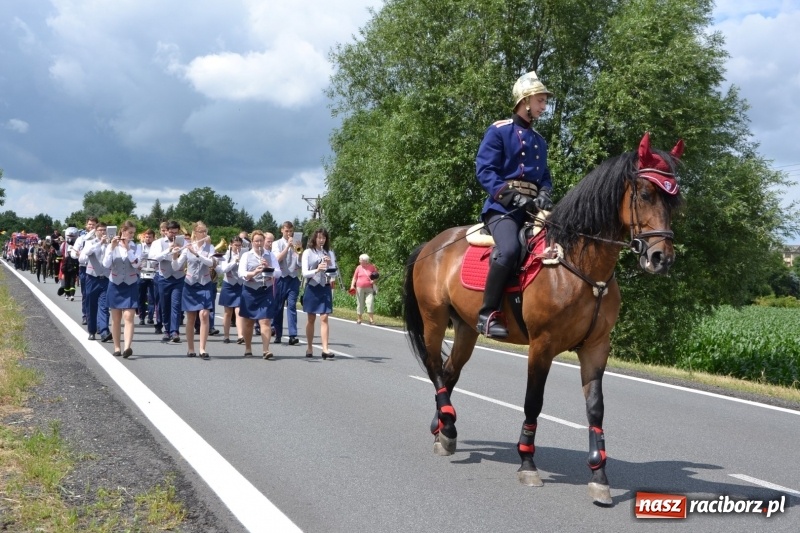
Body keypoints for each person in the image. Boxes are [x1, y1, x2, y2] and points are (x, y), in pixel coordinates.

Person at [474, 70, 554, 339]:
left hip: (533, 210)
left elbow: (545, 177)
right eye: (540, 101)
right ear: (525, 100)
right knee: (508, 250)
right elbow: (485, 171)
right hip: (503, 210)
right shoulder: (499, 131)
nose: (544, 107)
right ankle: (487, 314)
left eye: (544, 102)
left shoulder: (539, 142)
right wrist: (514, 198)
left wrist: (544, 194)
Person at [173, 221, 216, 360]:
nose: (204, 234)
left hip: (204, 283)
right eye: (201, 231)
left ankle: (202, 348)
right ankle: (190, 348)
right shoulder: (187, 248)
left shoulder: (210, 248)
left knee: (204, 314)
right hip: (190, 284)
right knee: (191, 317)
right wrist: (174, 255)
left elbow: (210, 263)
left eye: (205, 231)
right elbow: (176, 267)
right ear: (195, 233)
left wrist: (197, 254)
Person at [238, 230, 280, 359]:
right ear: (252, 242)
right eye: (256, 241)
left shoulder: (270, 255)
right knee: (249, 322)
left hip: (265, 290)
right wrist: (254, 272)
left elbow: (278, 273)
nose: (259, 243)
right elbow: (241, 273)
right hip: (250, 290)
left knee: (265, 320)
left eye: (261, 241)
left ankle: (266, 350)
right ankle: (248, 348)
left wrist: (268, 269)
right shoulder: (246, 255)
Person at [102, 220, 140, 358]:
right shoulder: (112, 246)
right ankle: (117, 347)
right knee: (116, 317)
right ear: (122, 231)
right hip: (115, 283)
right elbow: (106, 264)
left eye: (133, 233)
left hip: (130, 283)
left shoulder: (135, 247)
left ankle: (127, 347)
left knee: (129, 316)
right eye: (129, 233)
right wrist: (112, 247)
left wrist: (128, 248)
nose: (131, 235)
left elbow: (136, 264)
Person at [301, 227, 337, 359]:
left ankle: (325, 349)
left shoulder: (329, 253)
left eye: (324, 238)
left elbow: (335, 272)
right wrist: (317, 269)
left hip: (325, 286)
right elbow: (305, 273)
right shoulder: (308, 253)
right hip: (312, 286)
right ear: (314, 238)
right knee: (311, 318)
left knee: (324, 317)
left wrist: (329, 265)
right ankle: (309, 347)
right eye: (319, 238)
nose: (321, 240)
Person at [149, 220, 185, 343]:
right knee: (164, 305)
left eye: (176, 232)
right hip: (163, 277)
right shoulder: (158, 243)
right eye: (171, 232)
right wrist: (168, 250)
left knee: (176, 305)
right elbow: (153, 260)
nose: (173, 235)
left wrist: (182, 250)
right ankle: (166, 330)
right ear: (166, 231)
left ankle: (174, 331)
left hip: (179, 278)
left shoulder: (184, 242)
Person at [271, 221, 301, 345]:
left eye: (291, 231)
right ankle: (278, 333)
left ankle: (292, 335)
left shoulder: (296, 243)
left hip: (293, 278)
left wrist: (299, 252)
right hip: (281, 278)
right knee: (278, 307)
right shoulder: (276, 244)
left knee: (292, 306)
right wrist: (288, 246)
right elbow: (277, 259)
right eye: (287, 231)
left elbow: (299, 263)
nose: (289, 233)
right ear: (282, 230)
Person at [80, 222, 111, 341]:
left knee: (104, 306)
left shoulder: (110, 244)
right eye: (100, 230)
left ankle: (104, 331)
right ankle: (92, 330)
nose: (103, 232)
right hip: (92, 277)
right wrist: (100, 243)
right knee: (91, 305)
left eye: (105, 230)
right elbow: (83, 256)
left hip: (106, 278)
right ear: (96, 231)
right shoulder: (90, 242)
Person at [218, 235, 244, 344]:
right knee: (228, 312)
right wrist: (234, 261)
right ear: (231, 245)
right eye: (235, 245)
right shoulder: (226, 256)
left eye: (239, 245)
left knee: (239, 310)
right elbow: (224, 269)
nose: (237, 247)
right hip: (229, 284)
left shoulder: (244, 255)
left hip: (239, 284)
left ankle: (240, 335)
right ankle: (226, 335)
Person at [350, 253, 379, 325]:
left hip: (369, 288)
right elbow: (354, 277)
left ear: (365, 261)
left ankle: (371, 319)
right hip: (359, 288)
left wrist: (374, 281)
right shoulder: (358, 268)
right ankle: (359, 318)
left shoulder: (372, 267)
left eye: (360, 260)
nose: (359, 261)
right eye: (360, 260)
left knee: (370, 303)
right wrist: (352, 286)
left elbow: (376, 276)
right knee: (360, 303)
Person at [137, 229, 157, 326]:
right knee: (141, 297)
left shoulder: (156, 247)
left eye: (150, 237)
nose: (148, 239)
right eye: (146, 237)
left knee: (152, 297)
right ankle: (141, 317)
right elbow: (135, 259)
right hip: (142, 274)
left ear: (153, 238)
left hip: (153, 273)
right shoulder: (139, 247)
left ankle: (150, 317)